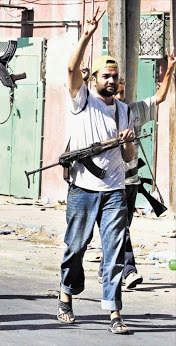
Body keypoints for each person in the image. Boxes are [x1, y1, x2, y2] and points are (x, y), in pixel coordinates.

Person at [58, 8, 135, 334]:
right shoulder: (82, 101)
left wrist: (128, 141)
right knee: (76, 247)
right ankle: (66, 295)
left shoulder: (123, 110)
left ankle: (114, 312)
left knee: (114, 252)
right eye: (106, 76)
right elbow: (71, 67)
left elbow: (129, 157)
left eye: (115, 77)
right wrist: (88, 33)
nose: (111, 81)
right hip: (82, 189)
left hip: (114, 190)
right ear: (93, 81)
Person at [97, 48, 176, 289]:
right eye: (115, 93)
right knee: (120, 226)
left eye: (121, 93)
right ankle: (129, 270)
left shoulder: (134, 110)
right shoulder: (98, 113)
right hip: (110, 182)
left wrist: (170, 68)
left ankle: (105, 266)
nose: (118, 97)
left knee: (124, 226)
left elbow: (159, 98)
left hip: (131, 182)